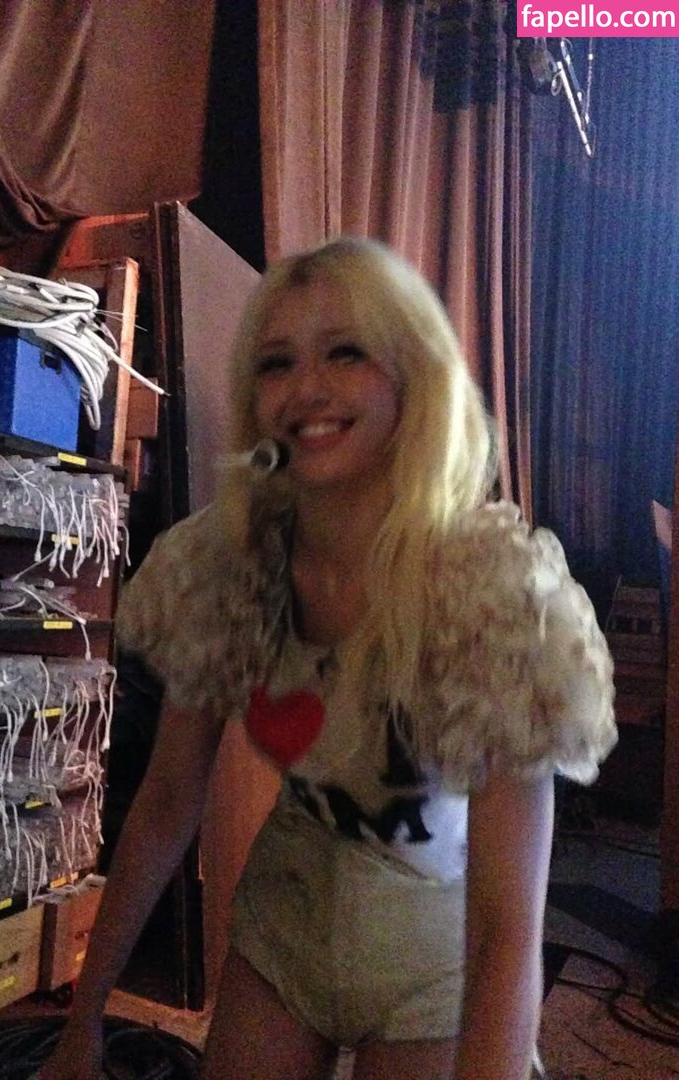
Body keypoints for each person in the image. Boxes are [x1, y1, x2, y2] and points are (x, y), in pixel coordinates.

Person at [39, 237, 617, 1080]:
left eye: (346, 352)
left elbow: (506, 928)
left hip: (435, 955)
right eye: (278, 362)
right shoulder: (229, 565)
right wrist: (82, 1020)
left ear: (412, 377)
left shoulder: (494, 597)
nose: (306, 387)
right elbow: (166, 802)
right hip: (284, 923)